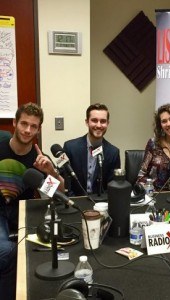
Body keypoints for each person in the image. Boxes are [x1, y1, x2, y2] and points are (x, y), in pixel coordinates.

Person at [0, 102, 64, 300]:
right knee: (7, 251)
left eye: (33, 126)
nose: (28, 130)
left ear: (39, 129)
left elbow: (59, 193)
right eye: (24, 124)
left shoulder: (39, 159)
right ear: (14, 123)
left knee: (43, 251)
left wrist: (50, 172)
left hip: (23, 214)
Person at [63, 103, 120, 196]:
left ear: (108, 123)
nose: (98, 125)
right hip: (75, 202)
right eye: (94, 120)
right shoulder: (69, 147)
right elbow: (63, 181)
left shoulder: (113, 152)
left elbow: (112, 187)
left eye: (103, 121)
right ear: (87, 122)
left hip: (101, 204)